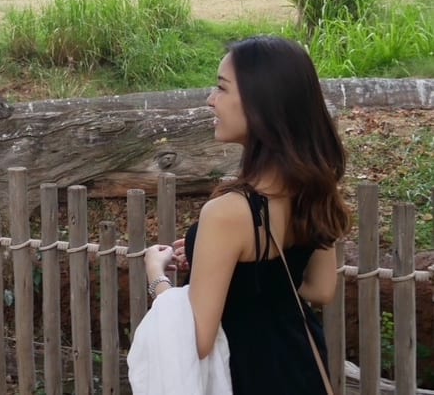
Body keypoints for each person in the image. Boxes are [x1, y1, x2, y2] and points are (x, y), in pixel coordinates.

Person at [144, 35, 349, 394]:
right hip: (303, 369)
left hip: (248, 376)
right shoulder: (314, 188)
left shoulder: (228, 213)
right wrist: (223, 268)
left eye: (222, 89)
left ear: (261, 105)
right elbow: (320, 288)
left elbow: (197, 339)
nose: (211, 100)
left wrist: (156, 277)